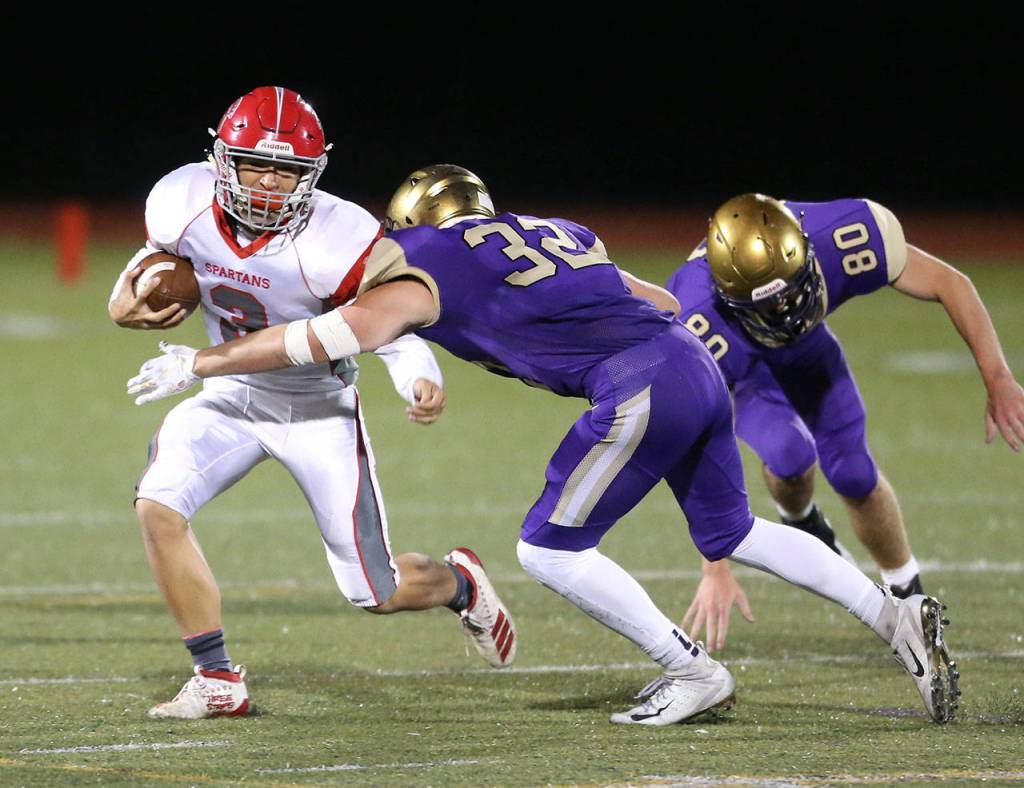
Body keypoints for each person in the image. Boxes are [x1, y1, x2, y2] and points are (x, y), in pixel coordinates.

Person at [126, 165, 961, 726]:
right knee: (736, 531)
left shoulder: (418, 263)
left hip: (637, 384)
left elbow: (329, 335)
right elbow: (655, 299)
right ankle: (893, 617)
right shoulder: (552, 228)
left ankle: (694, 671)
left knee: (548, 549)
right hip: (692, 365)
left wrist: (200, 359)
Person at [109, 94, 516, 720]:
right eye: (254, 164)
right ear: (221, 158)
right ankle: (217, 677)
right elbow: (155, 261)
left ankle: (459, 584)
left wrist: (415, 371)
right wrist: (125, 298)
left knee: (373, 593)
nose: (271, 182)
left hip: (317, 408)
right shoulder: (180, 200)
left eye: (288, 170)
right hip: (229, 393)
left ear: (312, 174)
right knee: (158, 505)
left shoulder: (341, 234)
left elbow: (390, 315)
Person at [667, 194, 1024, 651]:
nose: (786, 313)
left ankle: (908, 597)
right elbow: (696, 439)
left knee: (854, 472)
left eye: (791, 293)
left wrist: (998, 378)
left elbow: (950, 283)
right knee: (788, 456)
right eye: (766, 307)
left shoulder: (845, 235)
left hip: (811, 356)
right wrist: (715, 563)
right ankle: (801, 519)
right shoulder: (696, 321)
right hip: (747, 371)